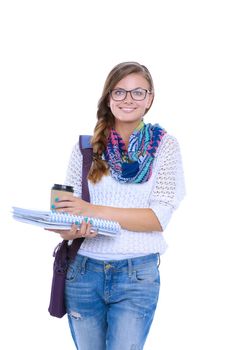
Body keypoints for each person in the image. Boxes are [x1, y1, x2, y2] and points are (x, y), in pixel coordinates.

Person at [50, 61, 186, 350]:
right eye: (120, 92)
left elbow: (157, 219)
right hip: (83, 273)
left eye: (138, 92)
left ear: (150, 98)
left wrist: (92, 211)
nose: (128, 99)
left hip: (136, 276)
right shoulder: (85, 148)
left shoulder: (165, 147)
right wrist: (69, 229)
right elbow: (68, 216)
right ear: (108, 98)